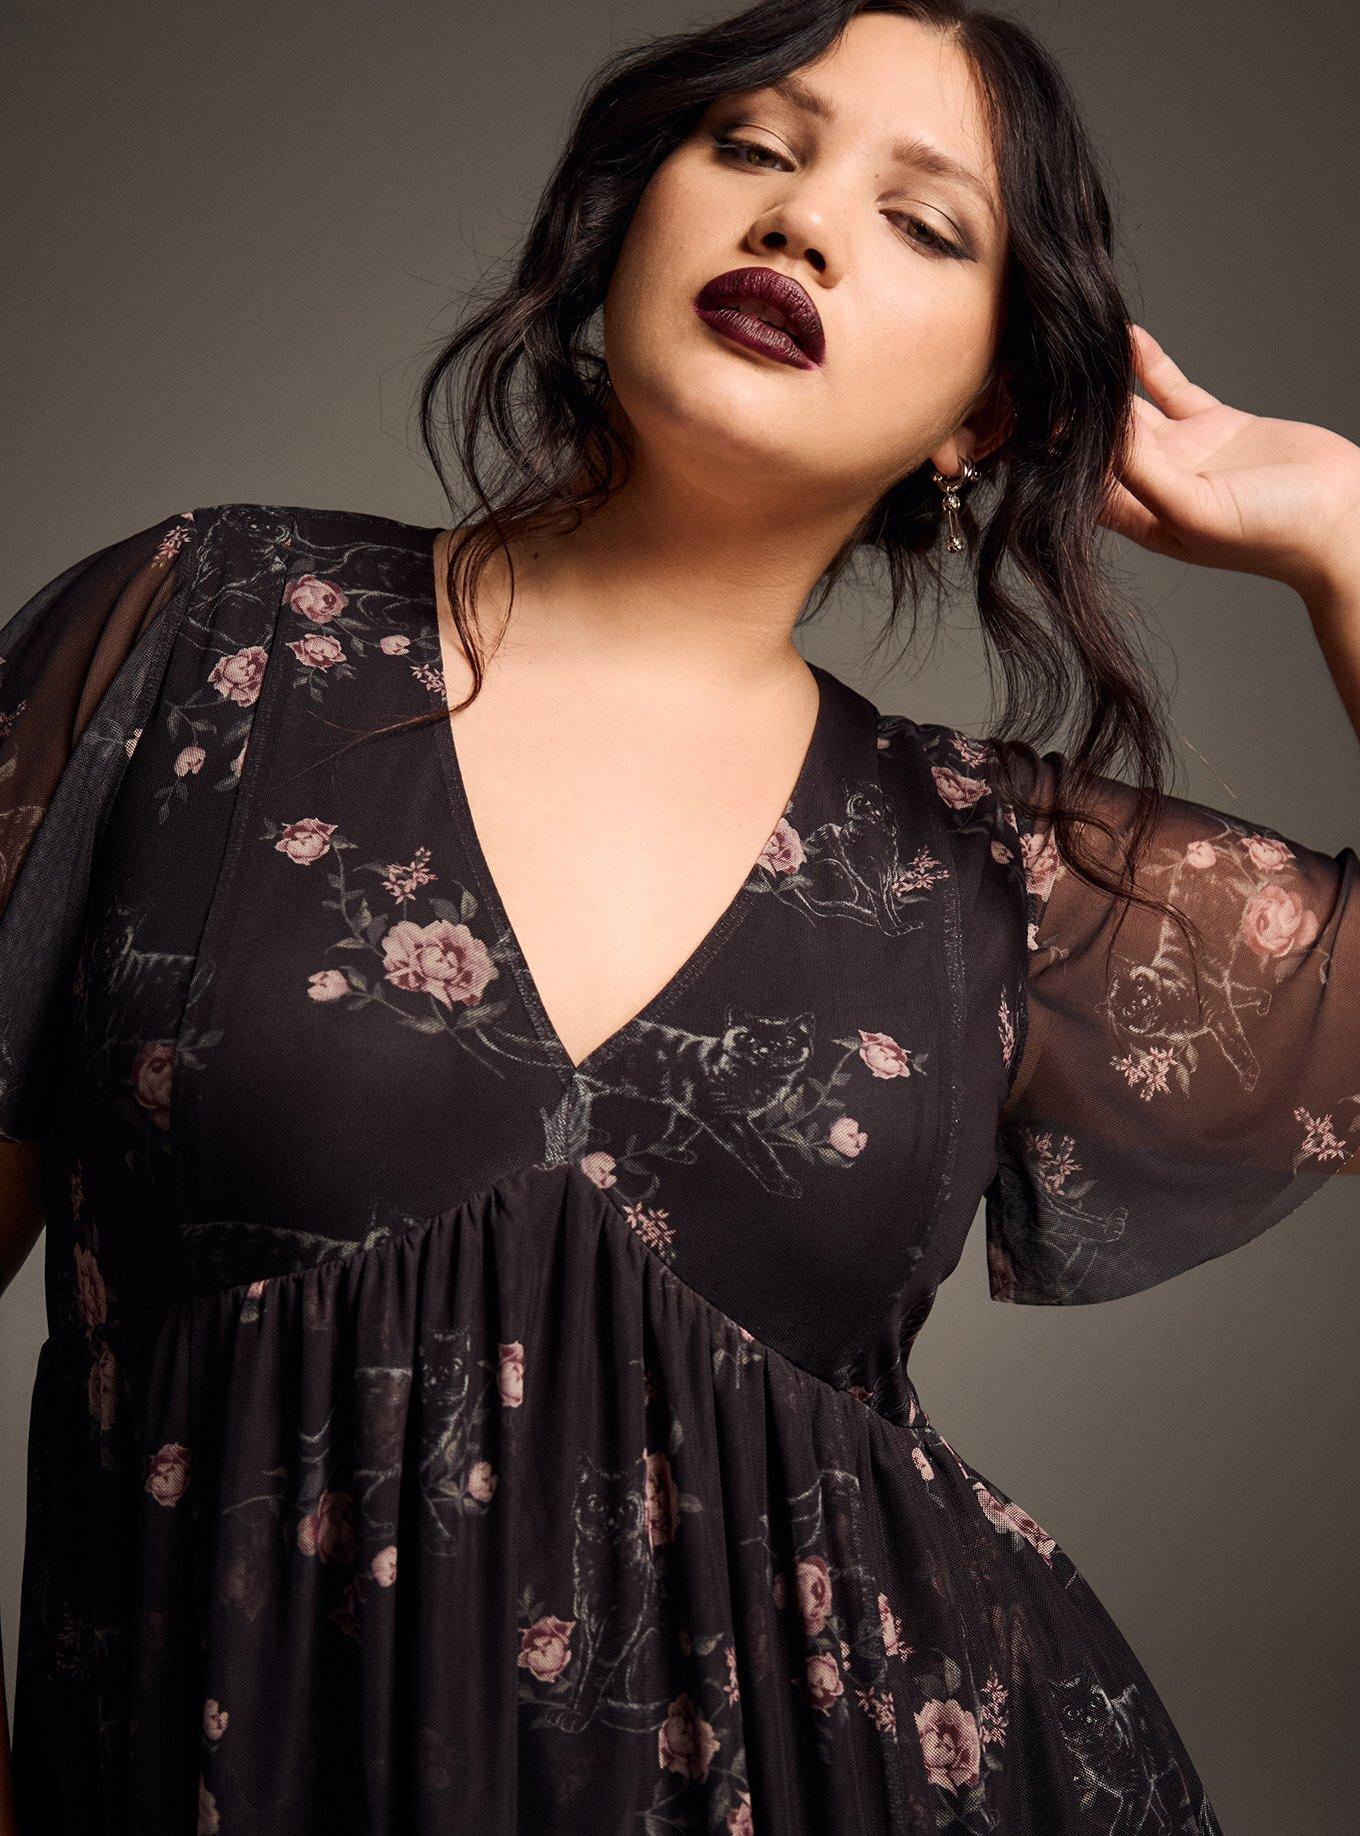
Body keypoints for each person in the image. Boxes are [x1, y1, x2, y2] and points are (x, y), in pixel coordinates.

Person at [1, 2, 1357, 1830]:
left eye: (922, 223)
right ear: (632, 214)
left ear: (985, 415)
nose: (803, 221)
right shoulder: (210, 634)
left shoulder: (985, 869)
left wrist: (1343, 530)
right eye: (755, 147)